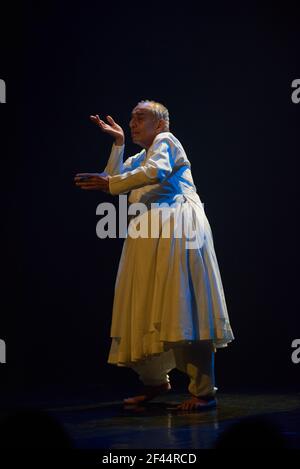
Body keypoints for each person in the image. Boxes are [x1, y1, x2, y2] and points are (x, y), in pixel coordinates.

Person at [74, 100, 234, 411]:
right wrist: (118, 144)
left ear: (160, 124)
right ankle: (155, 381)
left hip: (177, 226)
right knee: (145, 303)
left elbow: (153, 172)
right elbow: (114, 183)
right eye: (131, 118)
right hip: (148, 232)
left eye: (140, 118)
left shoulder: (167, 141)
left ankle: (203, 392)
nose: (132, 123)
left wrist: (112, 182)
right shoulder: (142, 154)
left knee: (181, 303)